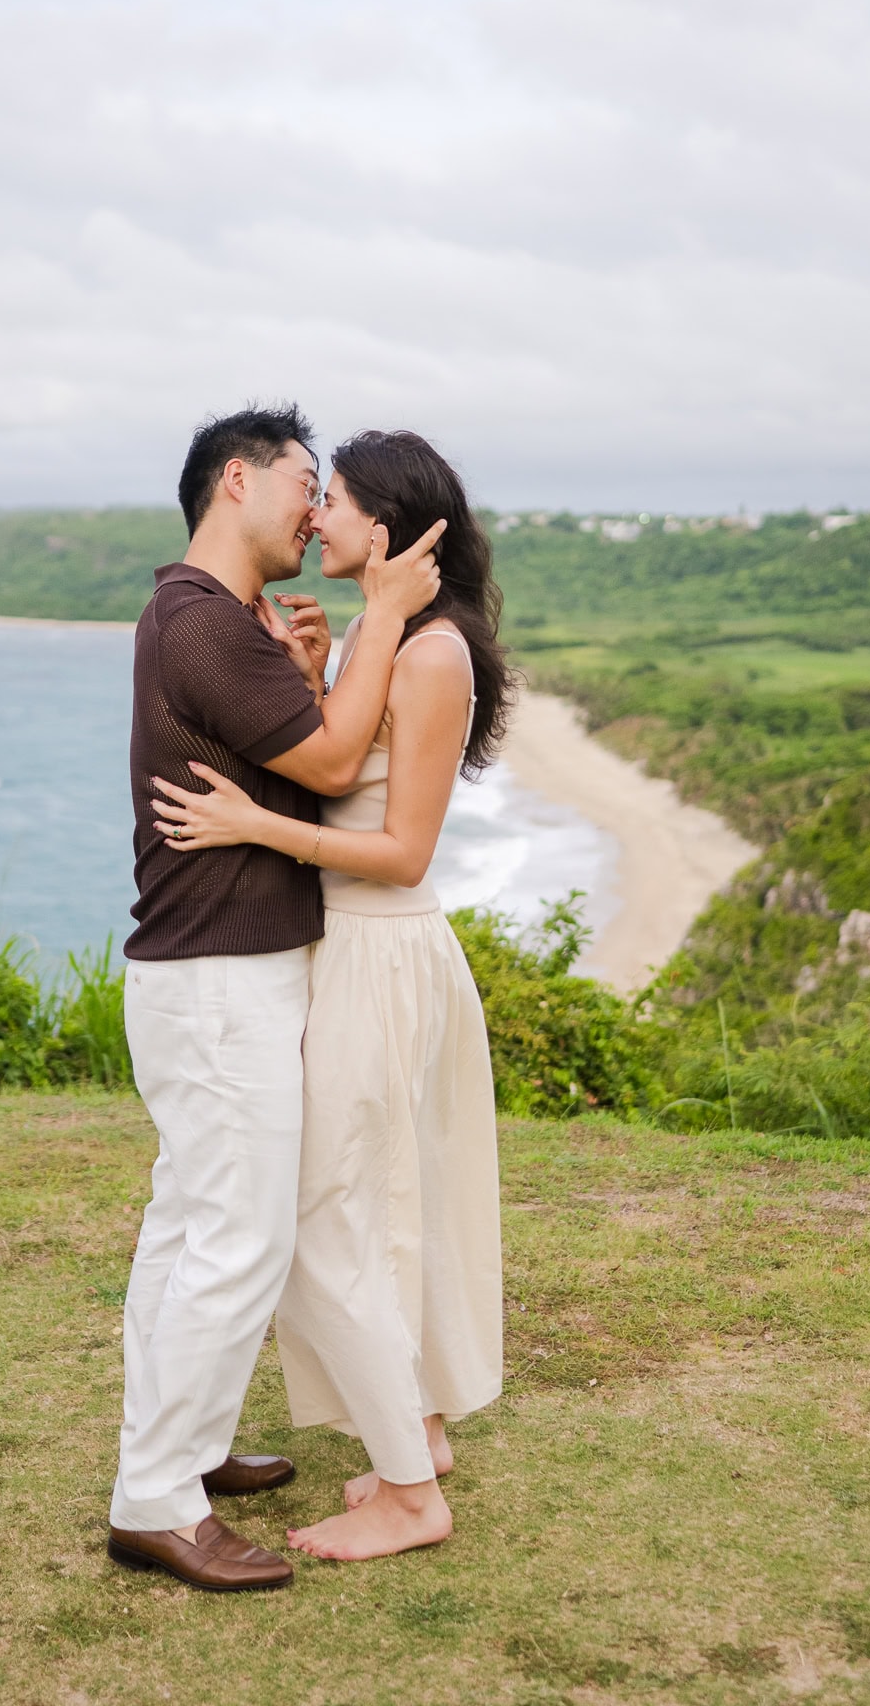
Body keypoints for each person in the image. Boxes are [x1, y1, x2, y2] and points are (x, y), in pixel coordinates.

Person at [151, 428, 512, 1563]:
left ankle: (411, 1490)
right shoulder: (380, 630)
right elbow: (341, 764)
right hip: (341, 944)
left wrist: (250, 824)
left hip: (381, 947)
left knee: (322, 1209)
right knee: (379, 1194)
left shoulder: (432, 651)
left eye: (338, 500)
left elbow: (403, 847)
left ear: (392, 525)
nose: (320, 519)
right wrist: (313, 677)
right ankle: (424, 1430)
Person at [107, 404, 445, 1593]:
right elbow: (337, 767)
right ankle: (156, 1499)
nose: (314, 508)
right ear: (236, 482)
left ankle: (184, 1452)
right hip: (217, 976)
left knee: (193, 1223)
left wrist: (305, 673)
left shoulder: (214, 620)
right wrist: (389, 616)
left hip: (210, 967)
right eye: (304, 482)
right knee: (237, 1236)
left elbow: (293, 771)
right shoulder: (202, 622)